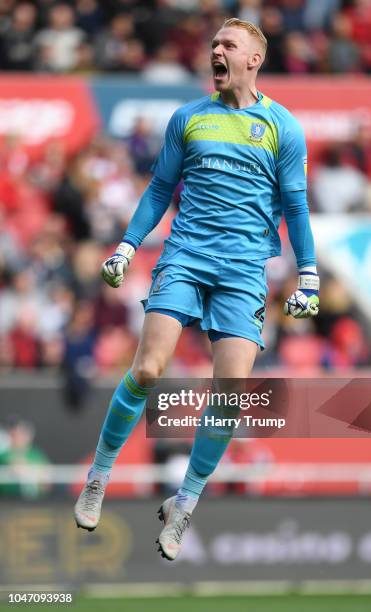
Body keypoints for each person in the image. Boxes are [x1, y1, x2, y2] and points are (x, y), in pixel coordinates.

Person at [74, 17, 319, 560]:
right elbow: (160, 188)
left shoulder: (283, 126)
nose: (216, 50)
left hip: (245, 268)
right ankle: (98, 475)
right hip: (185, 255)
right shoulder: (187, 118)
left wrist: (309, 274)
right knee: (147, 368)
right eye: (213, 44)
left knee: (230, 394)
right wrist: (126, 246)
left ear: (254, 59)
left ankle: (183, 504)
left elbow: (297, 207)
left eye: (228, 44)